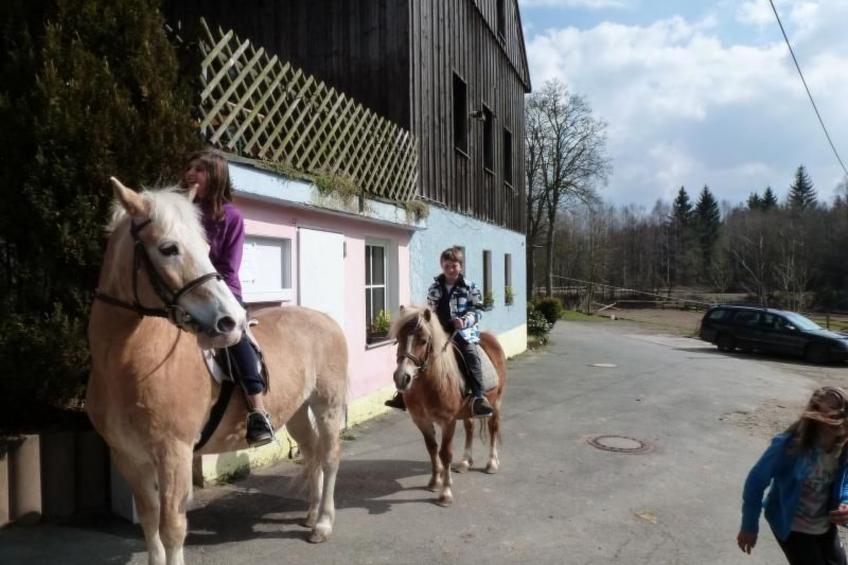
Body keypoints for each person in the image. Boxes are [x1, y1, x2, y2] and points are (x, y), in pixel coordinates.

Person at [182, 150, 275, 448]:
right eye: (190, 168)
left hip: (221, 288)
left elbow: (228, 266)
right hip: (183, 288)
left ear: (216, 176)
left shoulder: (231, 217)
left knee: (234, 336)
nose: (191, 173)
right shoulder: (184, 212)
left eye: (199, 169)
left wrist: (201, 252)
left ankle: (258, 412)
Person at [737, 386, 848, 565]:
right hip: (793, 527)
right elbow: (755, 484)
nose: (839, 426)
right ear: (815, 415)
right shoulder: (788, 446)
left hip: (824, 525)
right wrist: (749, 526)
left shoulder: (843, 447)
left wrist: (845, 501)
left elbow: (844, 479)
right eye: (833, 417)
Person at [386, 246, 493, 417]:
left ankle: (479, 397)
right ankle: (402, 393)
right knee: (416, 353)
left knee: (471, 354)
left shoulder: (470, 287)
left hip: (461, 331)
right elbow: (431, 310)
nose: (451, 269)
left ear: (461, 266)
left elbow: (478, 309)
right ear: (442, 266)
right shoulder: (435, 287)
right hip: (439, 331)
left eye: (454, 266)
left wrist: (465, 320)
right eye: (447, 266)